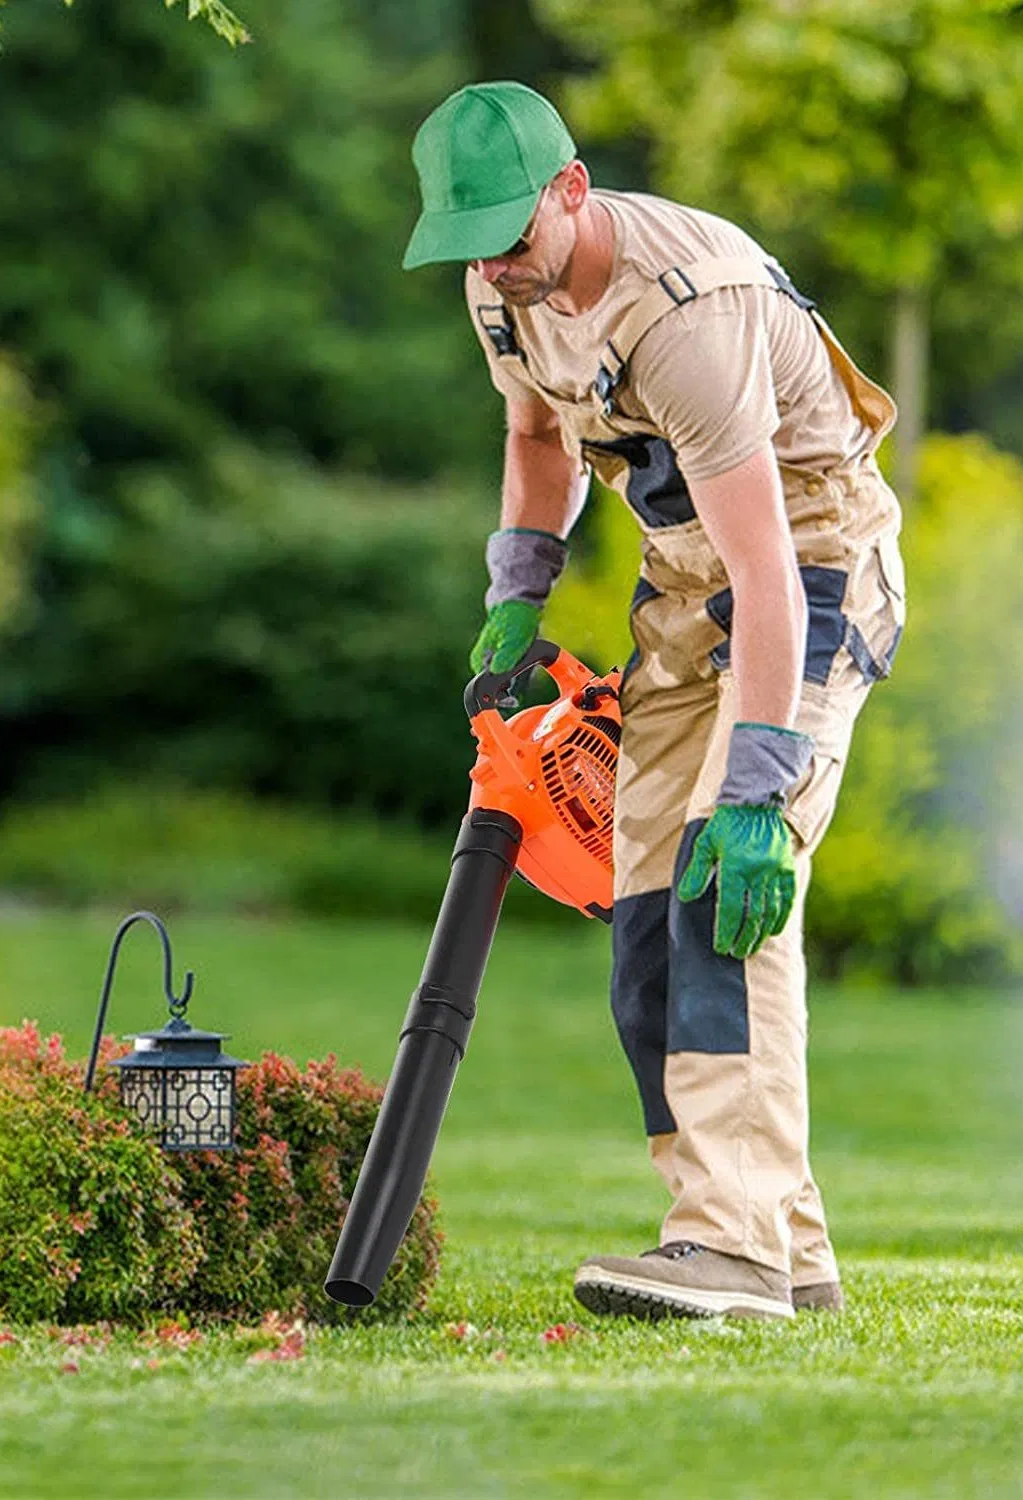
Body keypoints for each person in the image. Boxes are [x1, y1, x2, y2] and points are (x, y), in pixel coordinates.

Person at [403, 81, 906, 1321]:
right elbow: (536, 439)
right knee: (643, 932)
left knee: (722, 898)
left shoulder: (689, 309)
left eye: (514, 238)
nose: (498, 271)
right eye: (471, 247)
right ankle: (787, 1253)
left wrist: (756, 788)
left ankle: (727, 1244)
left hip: (807, 569)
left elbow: (772, 571)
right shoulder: (499, 281)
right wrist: (520, 587)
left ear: (571, 189)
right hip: (681, 589)